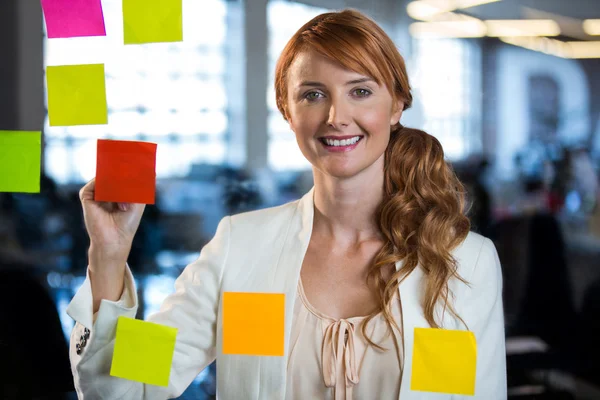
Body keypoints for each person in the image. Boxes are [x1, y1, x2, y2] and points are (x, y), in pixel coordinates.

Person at [67, 9, 506, 399]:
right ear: (286, 110)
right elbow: (122, 389)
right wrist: (108, 254)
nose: (336, 116)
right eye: (313, 94)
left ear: (397, 105)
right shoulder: (243, 248)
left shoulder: (462, 263)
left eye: (360, 91)